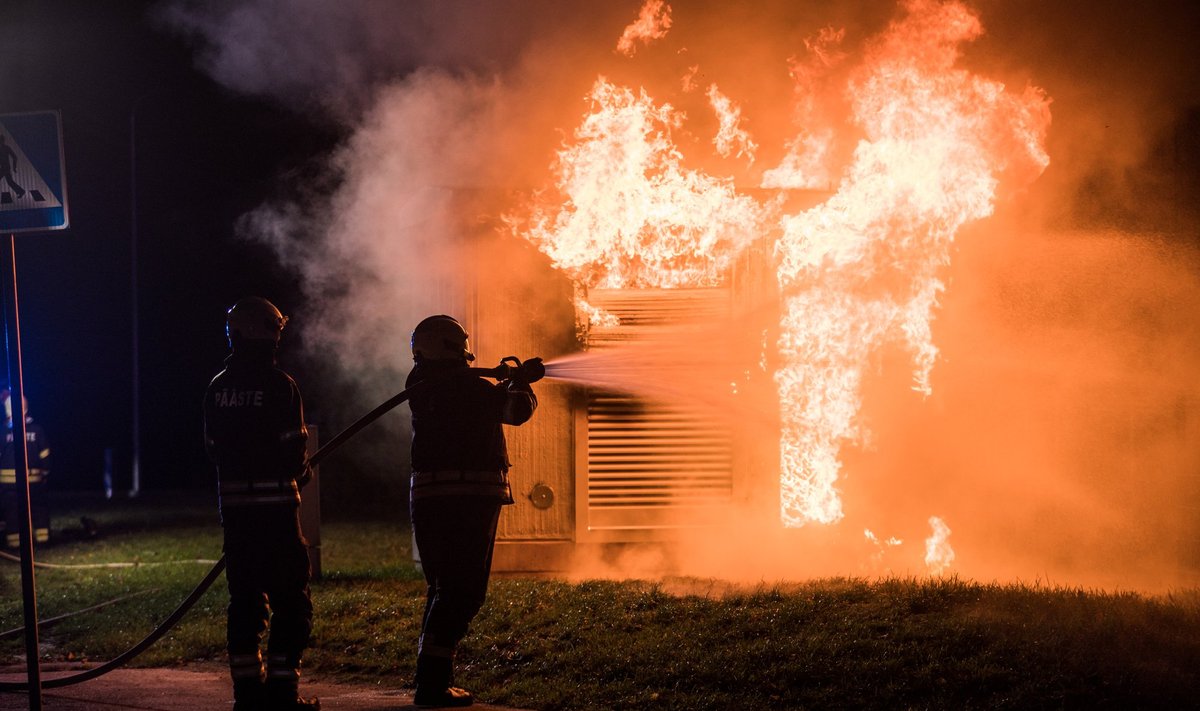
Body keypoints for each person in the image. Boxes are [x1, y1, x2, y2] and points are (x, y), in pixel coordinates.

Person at [405, 315, 538, 708]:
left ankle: (430, 680)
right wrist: (521, 382)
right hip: (469, 498)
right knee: (462, 591)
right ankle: (432, 686)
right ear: (453, 346)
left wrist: (506, 378)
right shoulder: (468, 388)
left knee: (442, 588)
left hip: (428, 498)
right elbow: (516, 412)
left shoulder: (420, 385)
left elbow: (473, 392)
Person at [203, 297, 319, 711]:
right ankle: (284, 695)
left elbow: (214, 449)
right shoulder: (279, 385)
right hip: (277, 516)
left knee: (246, 603)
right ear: (269, 332)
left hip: (236, 516)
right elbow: (294, 450)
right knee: (292, 602)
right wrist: (299, 472)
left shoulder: (217, 387)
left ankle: (248, 697)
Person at [1, 394, 51, 550]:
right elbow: (45, 455)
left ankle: (15, 544)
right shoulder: (37, 430)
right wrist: (46, 473)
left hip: (8, 483)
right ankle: (43, 540)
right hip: (33, 480)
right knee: (38, 509)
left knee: (12, 511)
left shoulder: (2, 432)